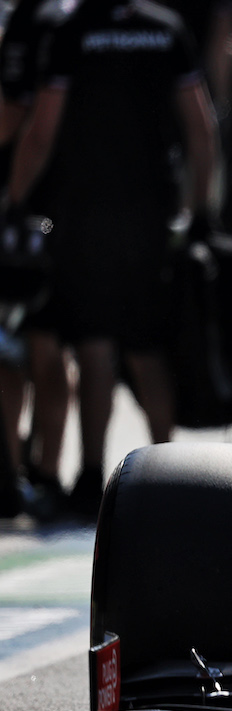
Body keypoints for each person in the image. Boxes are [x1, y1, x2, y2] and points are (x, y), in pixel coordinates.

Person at [3, 0, 219, 518]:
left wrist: (13, 200)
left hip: (86, 214)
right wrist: (199, 210)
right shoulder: (165, 29)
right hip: (152, 214)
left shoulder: (73, 31)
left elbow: (42, 130)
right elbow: (202, 128)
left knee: (96, 346)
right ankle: (168, 470)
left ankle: (91, 476)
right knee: (147, 348)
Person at [0, 0, 75, 519]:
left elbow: (21, 121)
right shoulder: (74, 17)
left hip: (28, 210)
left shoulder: (35, 22)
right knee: (47, 347)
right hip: (78, 205)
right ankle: (43, 471)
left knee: (18, 347)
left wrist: (13, 198)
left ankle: (16, 474)